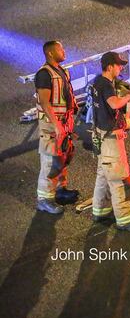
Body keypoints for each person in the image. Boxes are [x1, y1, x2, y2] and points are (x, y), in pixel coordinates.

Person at [90, 52, 130, 232]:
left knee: (103, 176)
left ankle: (100, 210)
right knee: (118, 179)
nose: (121, 68)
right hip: (111, 140)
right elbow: (114, 104)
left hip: (101, 136)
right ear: (110, 66)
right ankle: (125, 220)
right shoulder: (106, 85)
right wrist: (129, 97)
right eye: (118, 65)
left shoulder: (97, 82)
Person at [34, 40, 79, 214]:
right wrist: (57, 125)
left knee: (62, 158)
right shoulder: (44, 74)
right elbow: (45, 103)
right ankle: (44, 199)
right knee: (50, 163)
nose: (64, 51)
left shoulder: (62, 71)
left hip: (63, 124)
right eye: (61, 48)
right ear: (51, 53)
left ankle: (60, 190)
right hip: (52, 126)